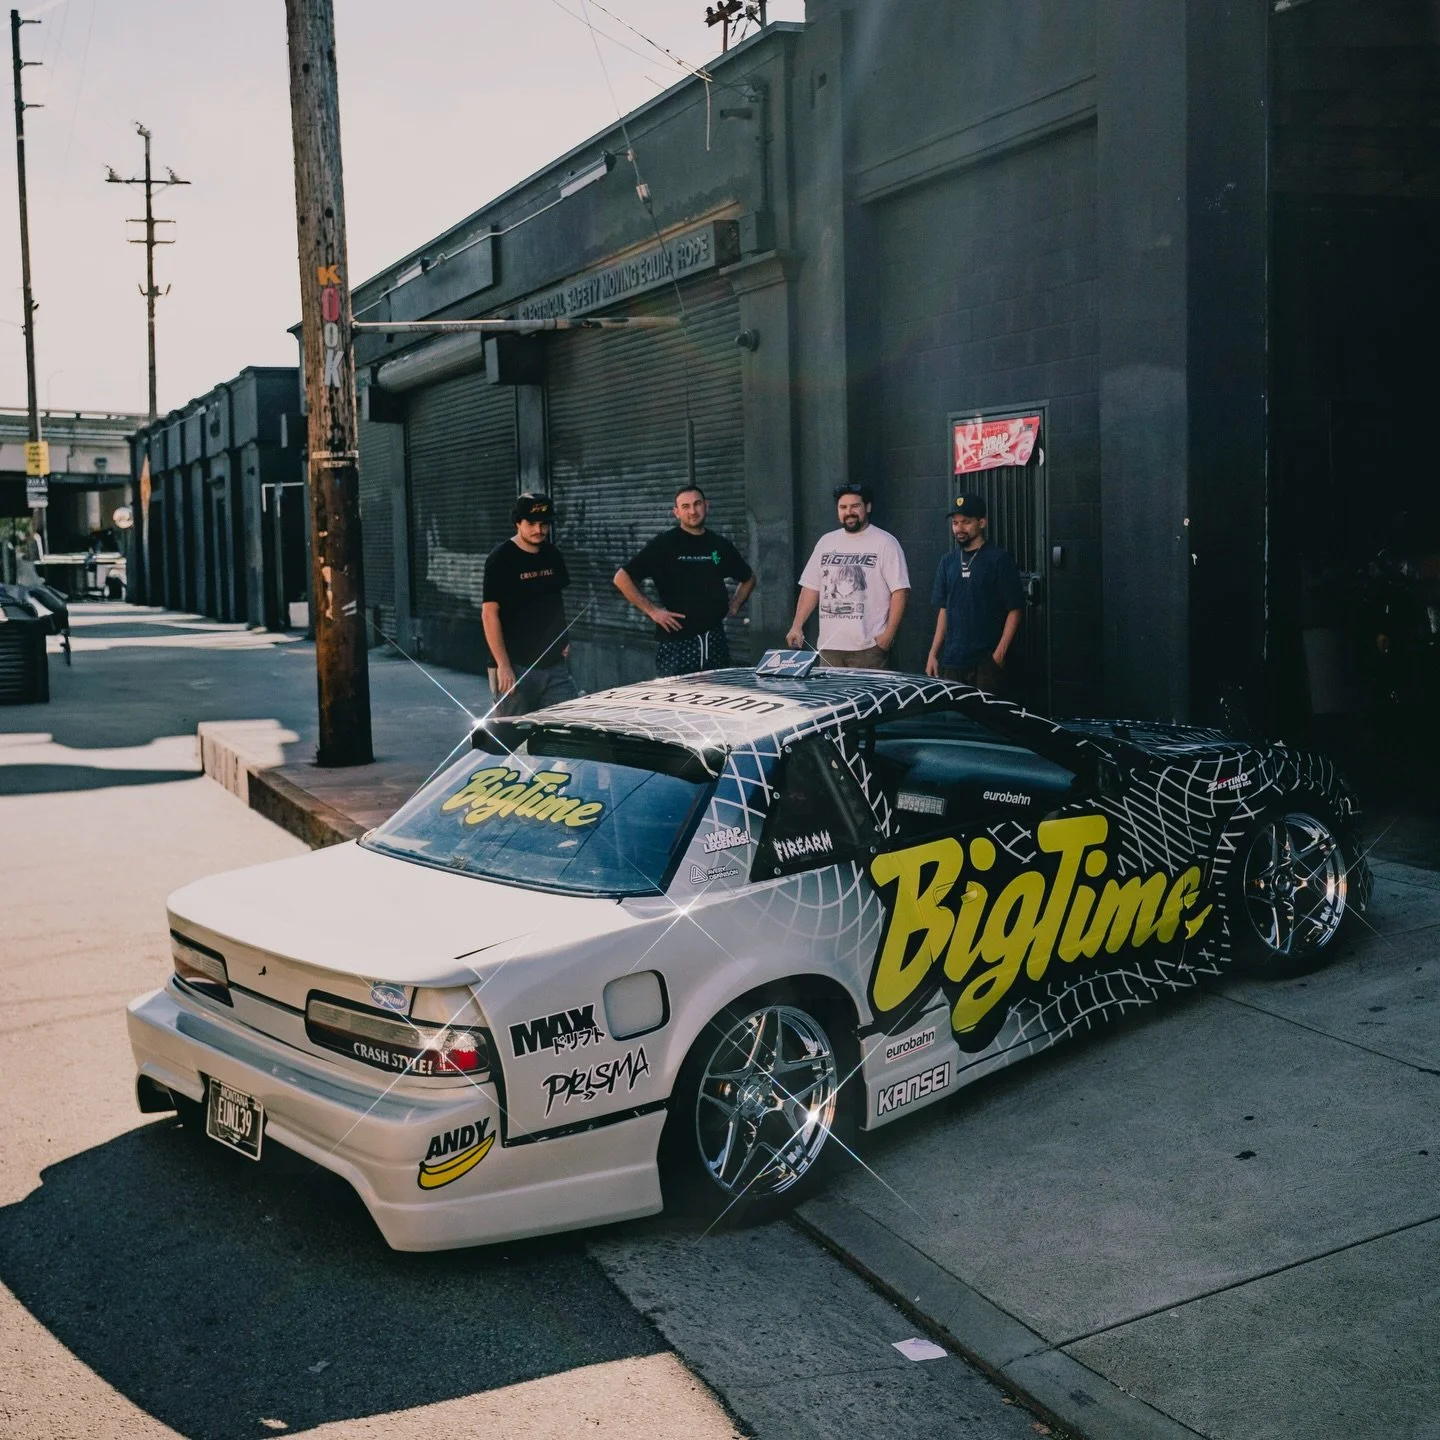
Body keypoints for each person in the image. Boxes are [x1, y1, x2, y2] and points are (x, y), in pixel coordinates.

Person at [613, 485, 756, 676]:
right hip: (678, 644)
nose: (693, 511)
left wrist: (736, 604)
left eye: (697, 504)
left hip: (715, 639)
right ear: (676, 512)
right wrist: (653, 611)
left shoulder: (719, 544)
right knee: (677, 702)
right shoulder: (664, 544)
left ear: (707, 506)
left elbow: (748, 578)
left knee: (716, 700)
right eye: (686, 506)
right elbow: (621, 578)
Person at [786, 482, 909, 667]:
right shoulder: (826, 542)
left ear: (867, 507)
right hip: (829, 648)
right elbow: (811, 587)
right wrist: (797, 626)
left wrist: (887, 636)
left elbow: (900, 591)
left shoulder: (885, 542)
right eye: (843, 507)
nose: (848, 512)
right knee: (831, 697)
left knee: (867, 697)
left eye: (855, 506)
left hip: (868, 648)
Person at [481, 492, 579, 716]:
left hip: (554, 664)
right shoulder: (501, 558)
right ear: (518, 522)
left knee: (565, 728)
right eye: (531, 523)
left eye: (544, 524)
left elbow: (556, 602)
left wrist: (564, 638)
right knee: (510, 736)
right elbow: (489, 615)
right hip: (515, 666)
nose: (539, 530)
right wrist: (503, 665)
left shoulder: (552, 554)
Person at [924, 492, 1024, 693]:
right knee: (956, 722)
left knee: (988, 720)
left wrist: (999, 655)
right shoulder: (947, 562)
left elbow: (1015, 609)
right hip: (953, 661)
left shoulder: (998, 559)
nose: (959, 528)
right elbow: (944, 609)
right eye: (955, 523)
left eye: (966, 522)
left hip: (986, 661)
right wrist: (933, 654)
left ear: (982, 523)